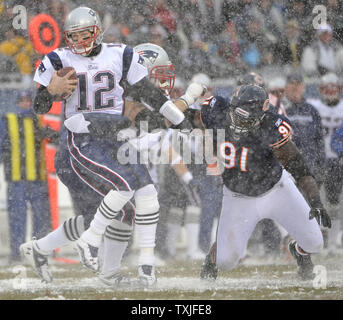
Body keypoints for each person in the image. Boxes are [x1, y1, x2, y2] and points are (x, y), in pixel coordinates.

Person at [19, 6, 193, 287]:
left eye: (84, 34)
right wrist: (50, 91)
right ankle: (91, 250)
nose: (78, 42)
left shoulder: (120, 54)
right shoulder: (58, 58)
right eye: (72, 36)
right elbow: (39, 106)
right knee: (117, 199)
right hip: (80, 143)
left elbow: (145, 92)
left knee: (113, 212)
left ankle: (47, 252)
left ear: (97, 31)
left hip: (111, 140)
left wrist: (175, 115)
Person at [198, 84, 330, 281]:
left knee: (315, 243)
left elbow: (299, 168)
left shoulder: (271, 127)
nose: (237, 121)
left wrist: (316, 201)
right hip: (238, 196)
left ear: (260, 115)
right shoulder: (217, 111)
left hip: (277, 190)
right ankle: (213, 256)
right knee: (226, 261)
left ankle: (299, 251)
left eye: (245, 117)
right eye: (237, 113)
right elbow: (186, 120)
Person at [0, 90, 56, 263]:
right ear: (18, 103)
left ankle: (39, 251)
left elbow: (55, 139)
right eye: (22, 101)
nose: (25, 104)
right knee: (17, 217)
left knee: (40, 217)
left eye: (27, 101)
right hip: (17, 178)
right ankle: (18, 253)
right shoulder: (7, 121)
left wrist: (49, 134)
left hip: (38, 178)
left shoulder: (39, 120)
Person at [307, 73, 343, 250]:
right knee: (314, 201)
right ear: (320, 90)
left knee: (334, 202)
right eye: (326, 88)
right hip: (318, 160)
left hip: (338, 161)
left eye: (333, 88)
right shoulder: (314, 106)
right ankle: (317, 238)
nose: (330, 91)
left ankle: (334, 242)